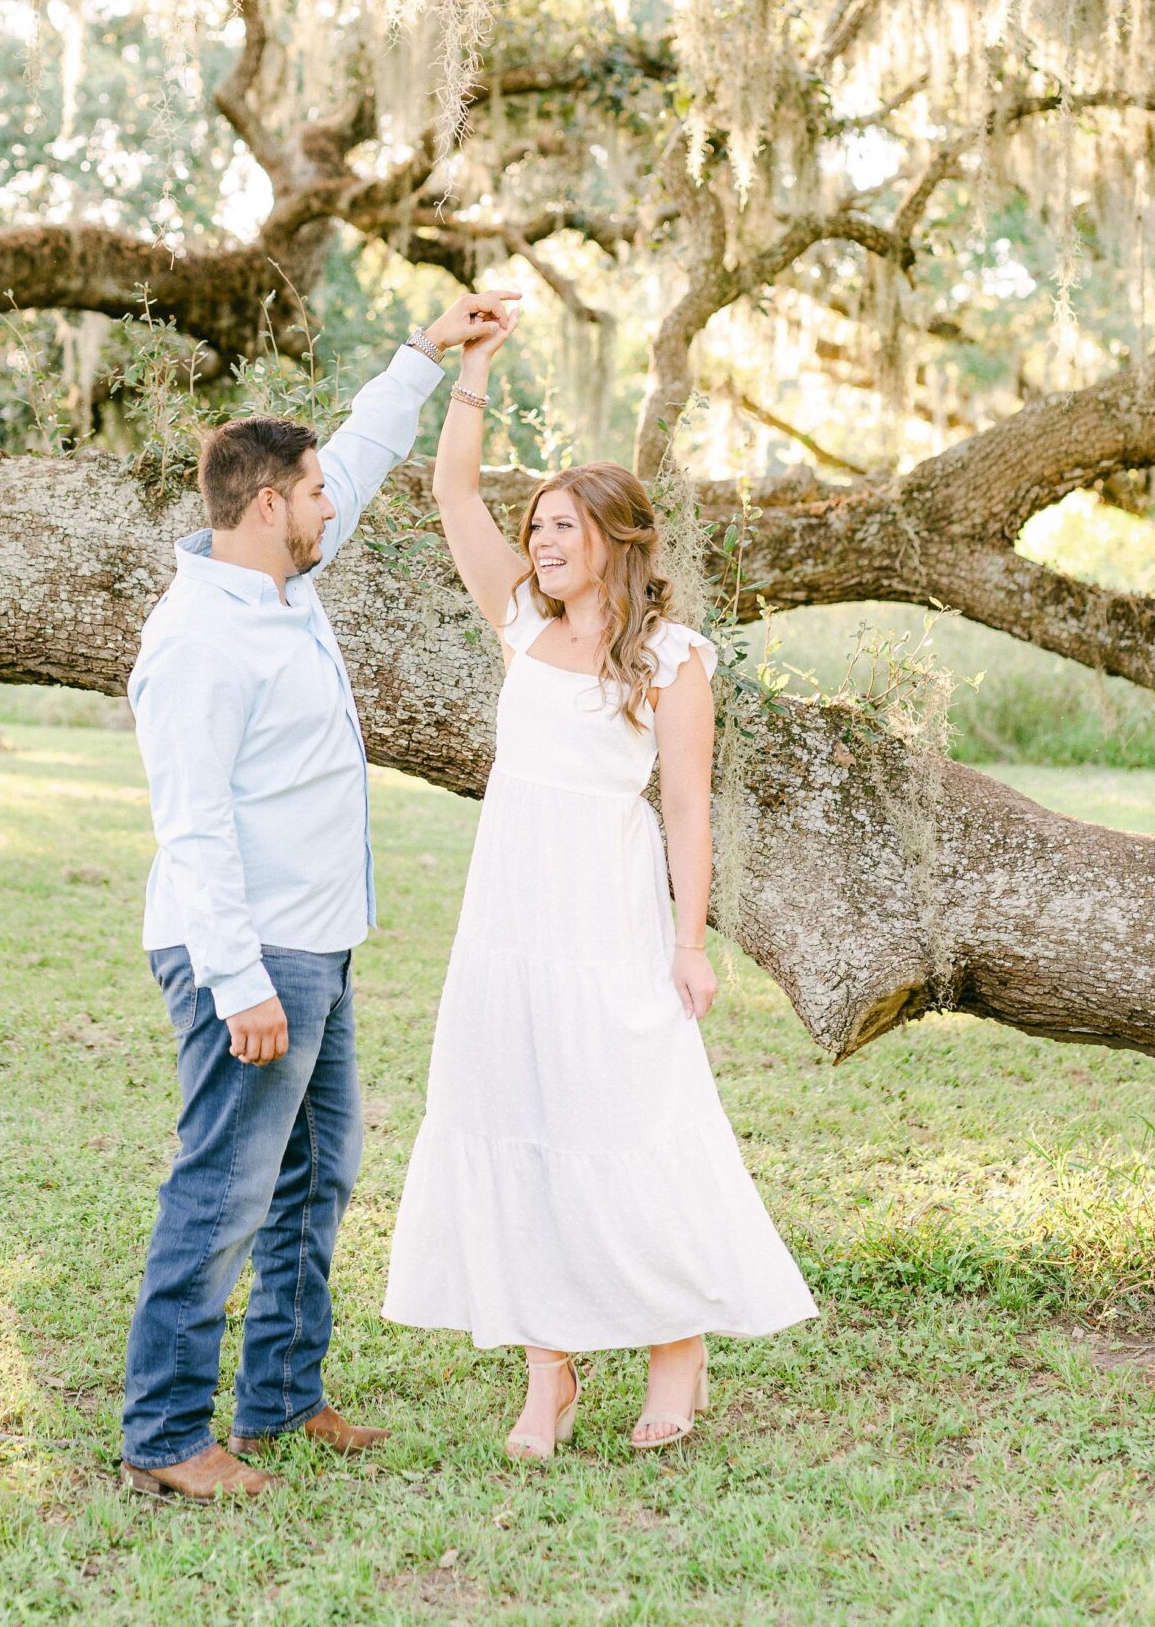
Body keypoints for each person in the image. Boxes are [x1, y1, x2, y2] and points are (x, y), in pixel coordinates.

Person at [383, 312, 817, 1457]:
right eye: (536, 527)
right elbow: (452, 494)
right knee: (517, 1115)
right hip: (507, 913)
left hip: (608, 914)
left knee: (625, 1118)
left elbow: (686, 809)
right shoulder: (519, 621)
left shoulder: (672, 658)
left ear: (616, 539)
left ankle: (676, 1348)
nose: (539, 542)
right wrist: (472, 370)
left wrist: (689, 942)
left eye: (561, 526)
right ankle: (548, 1373)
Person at [120, 290, 519, 1502]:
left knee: (313, 1177)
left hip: (320, 942)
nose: (330, 504)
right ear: (264, 506)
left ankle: (283, 1399)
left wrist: (426, 353)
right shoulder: (199, 640)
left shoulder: (280, 578)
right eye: (311, 495)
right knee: (223, 1187)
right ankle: (165, 1435)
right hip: (249, 955)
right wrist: (238, 981)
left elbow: (358, 448)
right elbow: (191, 826)